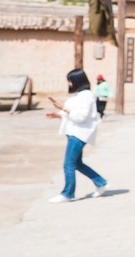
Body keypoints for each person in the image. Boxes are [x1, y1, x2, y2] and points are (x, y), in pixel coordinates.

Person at [45, 68, 110, 202]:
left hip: (79, 134)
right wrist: (57, 114)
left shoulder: (86, 95)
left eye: (70, 81)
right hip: (74, 132)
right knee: (77, 163)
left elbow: (81, 117)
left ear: (76, 81)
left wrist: (62, 107)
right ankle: (101, 182)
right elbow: (71, 114)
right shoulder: (79, 95)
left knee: (68, 164)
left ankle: (67, 193)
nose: (69, 84)